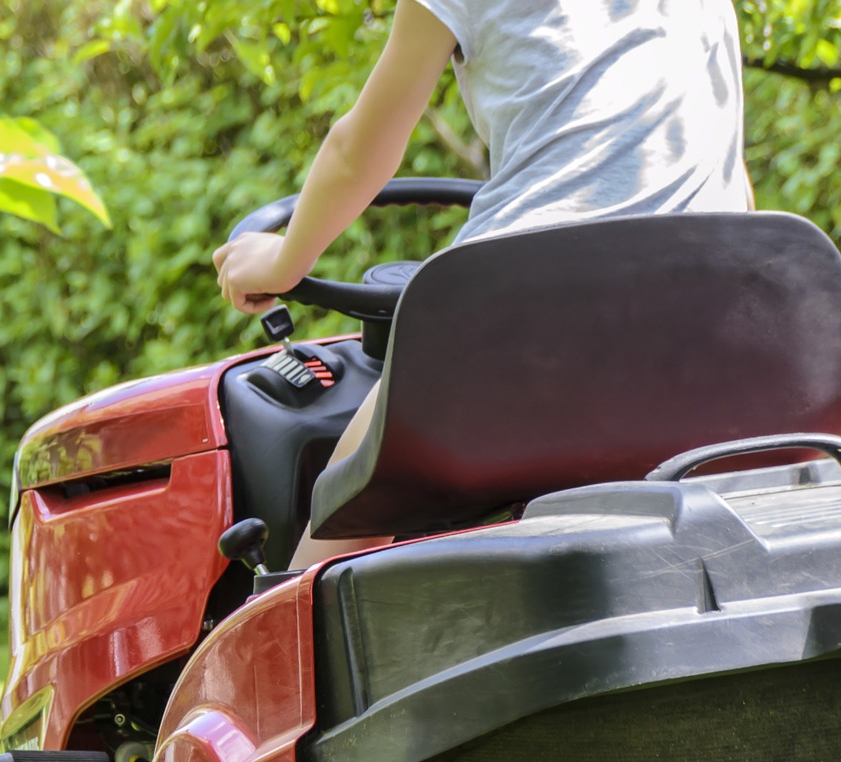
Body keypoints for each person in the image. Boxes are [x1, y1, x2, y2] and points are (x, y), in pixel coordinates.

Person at [213, 0, 753, 569]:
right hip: (708, 334)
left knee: (349, 494)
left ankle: (289, 633)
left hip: (528, 313)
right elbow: (732, 181)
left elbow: (358, 152)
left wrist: (283, 262)